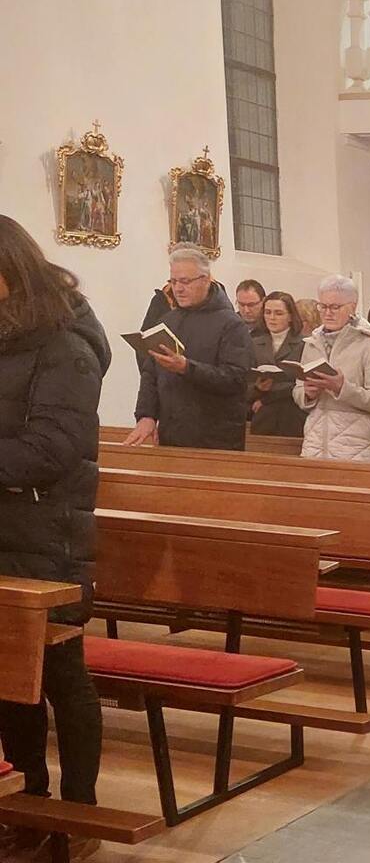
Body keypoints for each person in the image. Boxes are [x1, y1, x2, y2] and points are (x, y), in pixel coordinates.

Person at [0, 216, 110, 860]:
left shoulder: (65, 346)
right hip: (5, 528)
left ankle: (79, 815)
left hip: (48, 534)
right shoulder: (8, 338)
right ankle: (30, 804)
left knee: (61, 673)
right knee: (9, 674)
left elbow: (53, 447)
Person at [125, 247, 251, 450]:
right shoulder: (168, 320)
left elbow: (235, 379)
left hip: (216, 439)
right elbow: (150, 374)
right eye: (173, 282)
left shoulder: (231, 324)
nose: (178, 289)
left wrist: (186, 368)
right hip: (171, 435)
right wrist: (146, 415)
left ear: (205, 280)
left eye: (185, 281)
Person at [293, 274, 370, 462]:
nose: (327, 313)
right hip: (315, 444)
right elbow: (298, 389)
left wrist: (342, 388)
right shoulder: (312, 343)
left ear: (352, 307)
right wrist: (307, 394)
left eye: (335, 307)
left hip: (357, 448)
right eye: (323, 306)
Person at [248, 291, 306, 438]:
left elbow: (302, 383)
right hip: (261, 417)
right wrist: (257, 388)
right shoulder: (253, 343)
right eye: (268, 312)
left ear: (290, 316)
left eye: (278, 313)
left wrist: (266, 399)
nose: (272, 318)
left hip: (291, 416)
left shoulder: (304, 344)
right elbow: (244, 380)